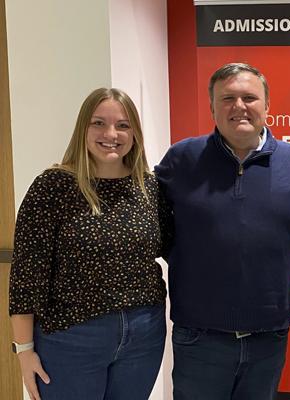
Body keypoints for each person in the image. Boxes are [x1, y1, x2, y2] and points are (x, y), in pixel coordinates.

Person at [155, 62, 290, 400]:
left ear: (267, 106)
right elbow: (151, 228)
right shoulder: (181, 160)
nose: (239, 106)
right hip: (200, 336)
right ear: (212, 106)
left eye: (249, 97)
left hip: (267, 338)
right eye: (227, 98)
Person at [9, 88, 171, 400]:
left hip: (143, 334)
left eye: (123, 125)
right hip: (71, 337)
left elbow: (174, 248)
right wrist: (24, 350)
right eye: (99, 123)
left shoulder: (149, 187)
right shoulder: (52, 187)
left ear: (134, 133)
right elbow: (27, 277)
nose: (111, 134)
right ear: (83, 128)